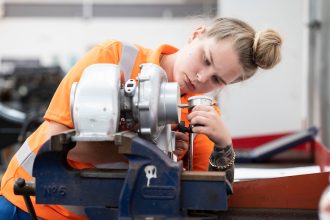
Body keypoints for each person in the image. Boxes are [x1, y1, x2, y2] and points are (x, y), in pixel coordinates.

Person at [0, 17, 282, 220]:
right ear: (196, 34)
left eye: (217, 79)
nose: (200, 77)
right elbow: (54, 140)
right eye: (205, 59)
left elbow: (208, 198)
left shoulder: (200, 117)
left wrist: (224, 147)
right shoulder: (115, 57)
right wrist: (149, 154)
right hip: (26, 203)